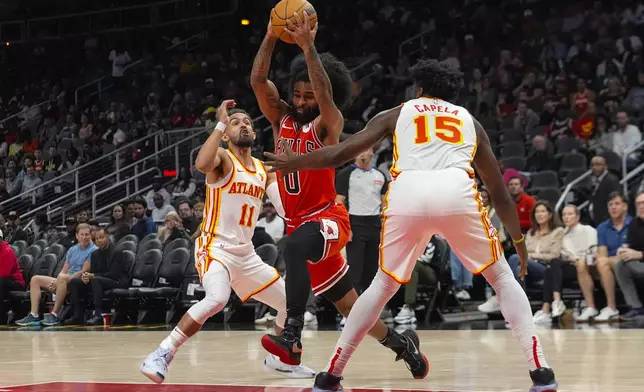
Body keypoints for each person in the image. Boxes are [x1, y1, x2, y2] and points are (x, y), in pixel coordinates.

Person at [265, 58, 558, 392]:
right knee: (502, 277)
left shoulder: (396, 113)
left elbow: (339, 153)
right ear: (452, 95)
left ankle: (331, 375)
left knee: (381, 286)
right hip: (455, 191)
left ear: (419, 89)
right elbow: (500, 194)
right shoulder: (469, 120)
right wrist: (519, 242)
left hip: (408, 193)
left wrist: (295, 161)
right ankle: (541, 371)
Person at [251, 11, 425, 376]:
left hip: (328, 220)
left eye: (308, 96)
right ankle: (404, 346)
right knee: (353, 309)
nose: (301, 101)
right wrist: (270, 35)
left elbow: (326, 95)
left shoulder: (327, 127)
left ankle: (292, 336)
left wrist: (308, 47)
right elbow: (258, 80)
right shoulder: (280, 119)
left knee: (293, 247)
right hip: (303, 226)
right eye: (297, 95)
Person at [140, 100, 315, 384]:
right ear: (225, 133)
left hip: (246, 255)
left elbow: (285, 209)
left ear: (255, 134)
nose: (243, 124)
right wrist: (220, 122)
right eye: (236, 122)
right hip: (215, 248)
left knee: (290, 302)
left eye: (247, 122)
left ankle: (281, 360)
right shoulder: (222, 158)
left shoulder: (264, 169)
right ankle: (161, 353)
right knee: (217, 298)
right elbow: (201, 164)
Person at [15, 224, 97, 327]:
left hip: (80, 281)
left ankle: (55, 315)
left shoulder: (93, 250)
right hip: (64, 280)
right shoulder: (72, 250)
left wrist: (60, 280)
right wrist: (57, 281)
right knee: (35, 279)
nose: (84, 237)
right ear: (77, 235)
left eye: (87, 234)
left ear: (90, 235)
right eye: (82, 234)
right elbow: (64, 270)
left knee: (62, 279)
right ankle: (34, 314)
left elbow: (83, 272)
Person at [66, 228, 129, 325]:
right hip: (99, 280)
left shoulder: (117, 252)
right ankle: (77, 315)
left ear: (107, 237)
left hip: (118, 281)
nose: (99, 240)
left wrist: (93, 276)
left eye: (102, 238)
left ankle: (98, 314)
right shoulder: (94, 254)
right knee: (75, 281)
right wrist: (86, 277)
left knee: (96, 280)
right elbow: (93, 272)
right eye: (97, 239)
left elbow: (114, 274)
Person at [614, 192, 644, 319]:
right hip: (641, 265)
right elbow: (631, 244)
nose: (641, 206)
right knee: (620, 265)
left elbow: (637, 253)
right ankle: (636, 307)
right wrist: (624, 249)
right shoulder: (634, 223)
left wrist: (640, 254)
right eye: (638, 204)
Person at [0, 229, 25, 324]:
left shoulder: (7, 251)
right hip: (5, 281)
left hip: (16, 283)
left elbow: (4, 274)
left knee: (0, 281)